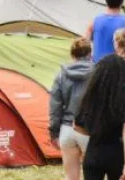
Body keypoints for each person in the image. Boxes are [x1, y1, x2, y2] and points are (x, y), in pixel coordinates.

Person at [74, 55, 125, 180]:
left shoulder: (90, 97)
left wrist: (94, 132)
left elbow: (77, 126)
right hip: (117, 153)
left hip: (94, 150)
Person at [49, 38, 94, 180]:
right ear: (89, 53)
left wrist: (54, 133)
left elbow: (55, 107)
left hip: (67, 129)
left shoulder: (61, 75)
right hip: (90, 130)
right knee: (93, 175)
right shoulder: (98, 72)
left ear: (72, 55)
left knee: (70, 177)